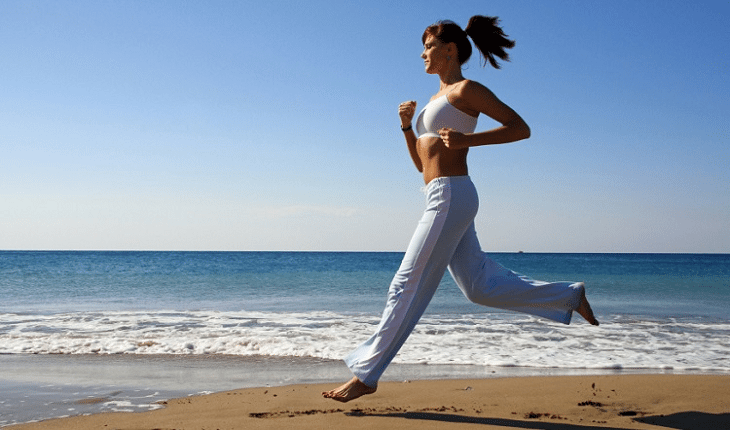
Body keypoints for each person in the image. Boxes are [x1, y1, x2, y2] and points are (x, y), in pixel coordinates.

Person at [323, 16, 598, 403]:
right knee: (479, 287)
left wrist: (470, 138)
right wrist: (406, 128)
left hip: (451, 195)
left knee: (405, 284)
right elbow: (423, 165)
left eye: (429, 45)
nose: (422, 53)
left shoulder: (467, 89)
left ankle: (367, 374)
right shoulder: (435, 100)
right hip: (440, 193)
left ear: (450, 50)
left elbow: (519, 127)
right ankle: (568, 296)